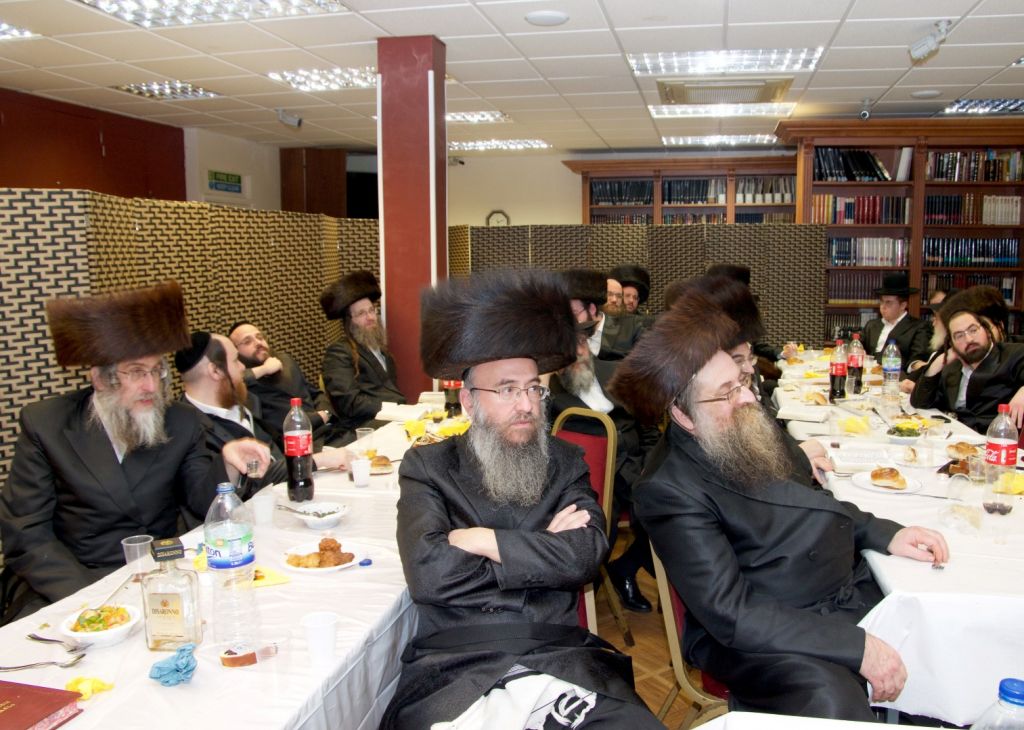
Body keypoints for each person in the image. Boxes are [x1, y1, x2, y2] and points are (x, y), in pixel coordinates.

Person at [608, 293, 949, 721]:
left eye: (741, 382)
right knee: (832, 702)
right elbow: (732, 611)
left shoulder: (740, 423)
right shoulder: (668, 490)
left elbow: (814, 502)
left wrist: (885, 532)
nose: (748, 399)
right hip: (760, 632)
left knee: (938, 630)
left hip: (833, 594)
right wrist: (854, 646)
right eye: (726, 392)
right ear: (683, 415)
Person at [381, 270, 660, 729]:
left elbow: (586, 553)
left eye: (533, 388)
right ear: (469, 402)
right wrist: (542, 547)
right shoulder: (427, 466)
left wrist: (484, 540)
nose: (527, 404)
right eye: (508, 389)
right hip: (458, 669)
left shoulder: (566, 461)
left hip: (559, 654)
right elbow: (430, 574)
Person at [0, 282, 270, 623]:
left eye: (157, 370)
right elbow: (27, 533)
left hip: (159, 574)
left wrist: (228, 463)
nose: (152, 386)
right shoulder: (47, 424)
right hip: (76, 580)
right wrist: (91, 599)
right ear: (100, 378)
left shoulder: (180, 421)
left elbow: (201, 503)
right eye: (137, 372)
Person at [550, 325, 660, 612]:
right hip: (592, 479)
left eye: (580, 346)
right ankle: (583, 607)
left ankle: (626, 567)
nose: (576, 355)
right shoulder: (549, 393)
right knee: (598, 531)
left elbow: (648, 426)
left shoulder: (617, 372)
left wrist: (651, 463)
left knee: (671, 516)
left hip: (635, 467)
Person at [175, 331, 350, 492]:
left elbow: (276, 455)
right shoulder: (188, 430)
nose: (242, 367)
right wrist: (319, 460)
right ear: (215, 371)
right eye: (236, 361)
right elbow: (252, 480)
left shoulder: (244, 402)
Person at [228, 321, 346, 446]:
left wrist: (326, 413)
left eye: (259, 337)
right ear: (235, 352)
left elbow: (315, 393)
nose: (258, 343)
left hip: (331, 430)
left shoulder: (285, 360)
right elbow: (229, 380)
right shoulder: (241, 383)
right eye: (247, 341)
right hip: (301, 444)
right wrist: (264, 369)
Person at [909, 303, 1024, 432]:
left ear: (987, 331)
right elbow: (920, 403)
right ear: (952, 343)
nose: (968, 339)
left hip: (995, 439)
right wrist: (937, 364)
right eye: (959, 335)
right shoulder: (951, 367)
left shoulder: (1014, 354)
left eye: (973, 330)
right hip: (954, 438)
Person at [320, 270, 406, 430]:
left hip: (390, 423)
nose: (371, 317)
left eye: (372, 310)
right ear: (349, 321)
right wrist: (394, 409)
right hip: (361, 429)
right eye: (361, 313)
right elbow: (349, 403)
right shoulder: (338, 353)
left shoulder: (383, 353)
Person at [562, 268, 645, 361]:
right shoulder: (564, 335)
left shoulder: (632, 328)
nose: (570, 319)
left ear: (592, 309)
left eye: (575, 313)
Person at [860, 272, 931, 376]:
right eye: (881, 301)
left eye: (888, 302)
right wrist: (856, 349)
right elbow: (856, 341)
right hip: (868, 376)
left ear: (903, 305)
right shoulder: (872, 325)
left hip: (896, 378)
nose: (883, 306)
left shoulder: (919, 327)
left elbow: (916, 359)